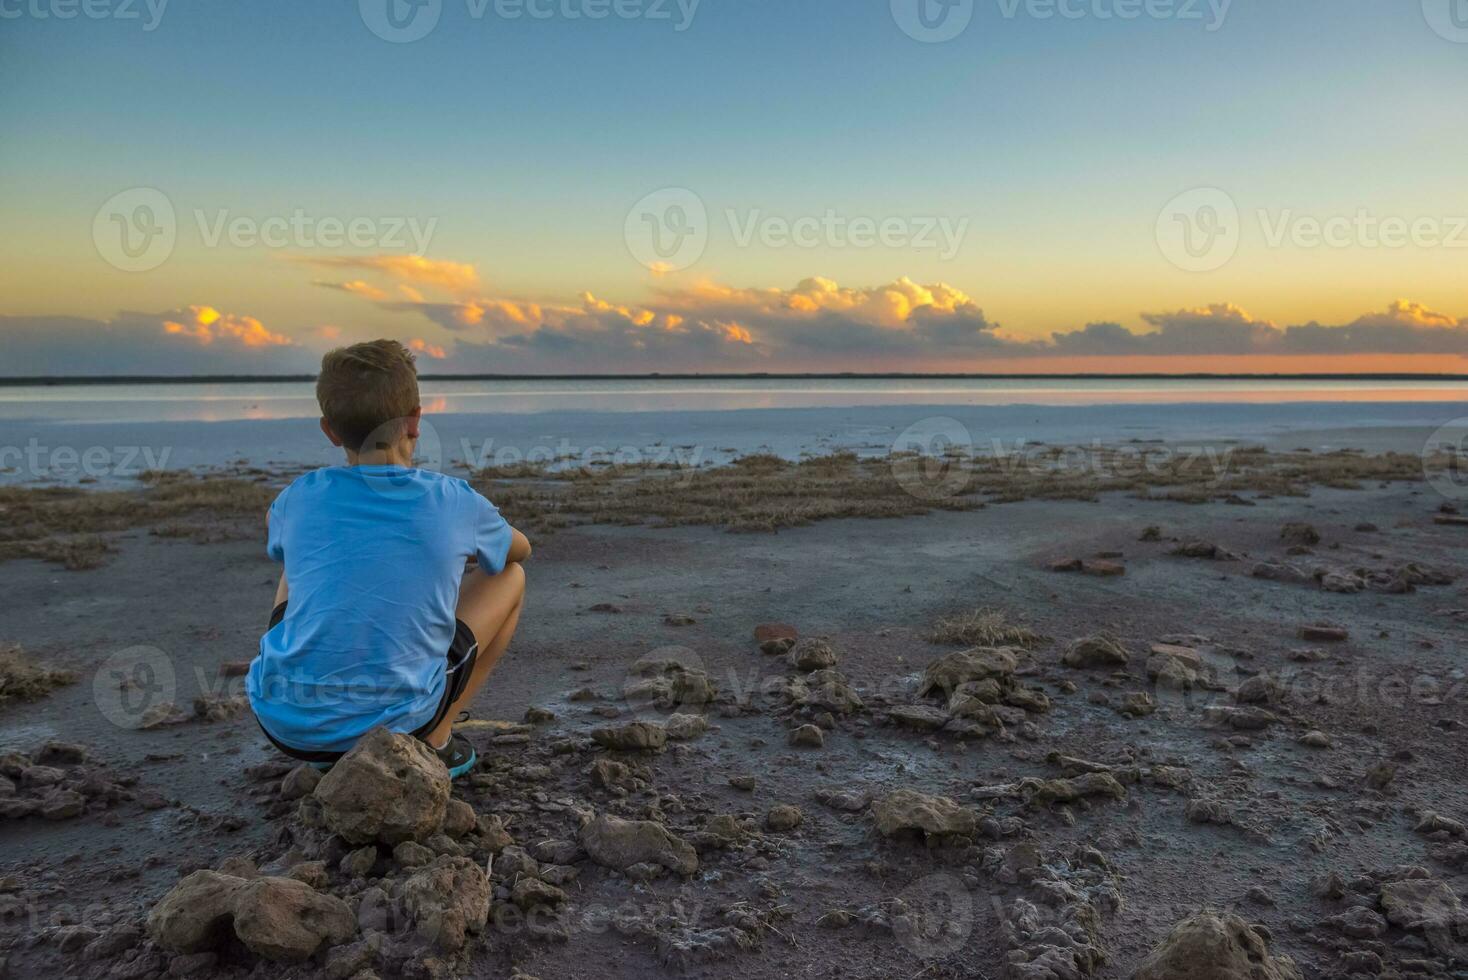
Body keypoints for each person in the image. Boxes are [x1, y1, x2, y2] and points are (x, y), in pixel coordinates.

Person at [246, 340, 529, 777]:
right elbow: (519, 549)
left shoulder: (297, 497)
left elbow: (280, 537)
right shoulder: (452, 500)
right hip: (397, 722)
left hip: (285, 726)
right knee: (510, 576)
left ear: (330, 431)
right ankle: (437, 737)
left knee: (299, 559)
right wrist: (446, 552)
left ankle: (333, 737)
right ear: (415, 420)